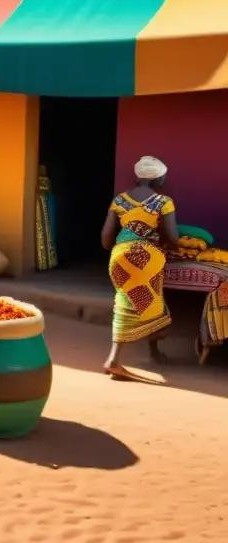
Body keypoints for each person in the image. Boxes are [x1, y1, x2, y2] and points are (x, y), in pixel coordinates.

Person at [101, 156, 177, 379]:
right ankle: (113, 360)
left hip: (118, 256)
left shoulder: (119, 201)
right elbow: (173, 237)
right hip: (146, 258)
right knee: (142, 304)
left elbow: (106, 239)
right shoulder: (163, 202)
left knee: (133, 301)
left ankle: (153, 352)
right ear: (159, 178)